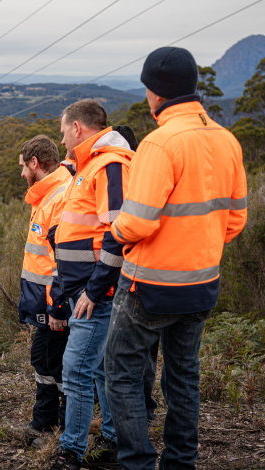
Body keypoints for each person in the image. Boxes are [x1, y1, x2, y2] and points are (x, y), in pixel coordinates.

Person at [106, 47, 248, 470]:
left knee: (122, 373)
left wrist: (114, 233)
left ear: (155, 92)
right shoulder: (227, 139)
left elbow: (138, 223)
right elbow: (235, 221)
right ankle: (180, 462)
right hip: (202, 283)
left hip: (149, 286)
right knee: (184, 376)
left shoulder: (160, 143)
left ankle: (137, 463)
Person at [47, 99, 137, 470]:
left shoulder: (110, 164)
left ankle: (71, 454)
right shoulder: (87, 167)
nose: (62, 137)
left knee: (77, 371)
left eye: (64, 130)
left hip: (94, 293)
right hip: (80, 289)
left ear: (79, 128)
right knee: (96, 369)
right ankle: (112, 442)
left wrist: (94, 291)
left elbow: (119, 232)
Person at [12, 135, 74, 446]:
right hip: (44, 303)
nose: (22, 173)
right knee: (43, 360)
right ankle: (44, 421)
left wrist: (56, 307)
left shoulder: (60, 197)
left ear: (36, 163)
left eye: (23, 166)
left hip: (55, 305)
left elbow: (62, 260)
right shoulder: (45, 196)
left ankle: (62, 431)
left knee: (58, 365)